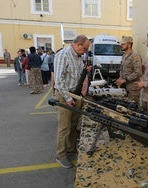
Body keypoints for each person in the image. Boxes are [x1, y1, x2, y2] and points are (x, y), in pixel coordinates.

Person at [54, 35, 92, 168]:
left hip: (76, 95)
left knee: (74, 124)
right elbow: (59, 80)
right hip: (65, 95)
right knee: (64, 127)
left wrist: (85, 71)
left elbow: (76, 76)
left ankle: (71, 149)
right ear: (78, 44)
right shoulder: (62, 55)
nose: (86, 51)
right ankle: (61, 155)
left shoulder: (79, 57)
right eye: (85, 48)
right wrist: (68, 98)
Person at [115, 36, 142, 104]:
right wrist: (120, 78)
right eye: (121, 44)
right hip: (124, 87)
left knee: (133, 107)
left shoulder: (135, 56)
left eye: (123, 44)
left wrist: (125, 79)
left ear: (129, 45)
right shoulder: (124, 56)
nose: (121, 45)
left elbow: (138, 72)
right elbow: (122, 68)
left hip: (132, 88)